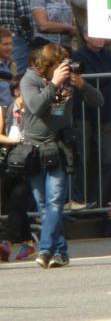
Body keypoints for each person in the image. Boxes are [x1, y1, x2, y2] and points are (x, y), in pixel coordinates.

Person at [21, 43, 103, 268]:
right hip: (35, 149)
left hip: (60, 145)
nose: (65, 69)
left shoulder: (70, 79)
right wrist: (54, 83)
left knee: (56, 200)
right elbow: (36, 106)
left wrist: (83, 85)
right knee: (43, 205)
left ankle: (46, 249)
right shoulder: (30, 79)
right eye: (59, 65)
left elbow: (98, 102)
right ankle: (60, 252)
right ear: (46, 66)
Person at [72, 30, 111, 207]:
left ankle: (102, 199)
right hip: (84, 113)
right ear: (86, 36)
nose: (100, 37)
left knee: (108, 158)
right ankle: (81, 198)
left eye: (102, 34)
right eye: (96, 34)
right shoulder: (78, 55)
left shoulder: (108, 55)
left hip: (104, 113)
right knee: (84, 157)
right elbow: (84, 81)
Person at [0, 78, 36, 262]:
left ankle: (5, 241)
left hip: (29, 162)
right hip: (9, 162)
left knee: (17, 201)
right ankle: (29, 242)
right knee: (15, 205)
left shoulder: (34, 110)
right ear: (15, 92)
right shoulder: (5, 110)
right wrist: (15, 141)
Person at [0, 0, 34, 74]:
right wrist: (31, 39)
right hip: (16, 40)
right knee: (17, 76)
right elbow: (26, 20)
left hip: (2, 38)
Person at [0, 29, 16, 108]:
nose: (10, 47)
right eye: (5, 44)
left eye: (11, 44)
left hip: (11, 114)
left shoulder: (12, 64)